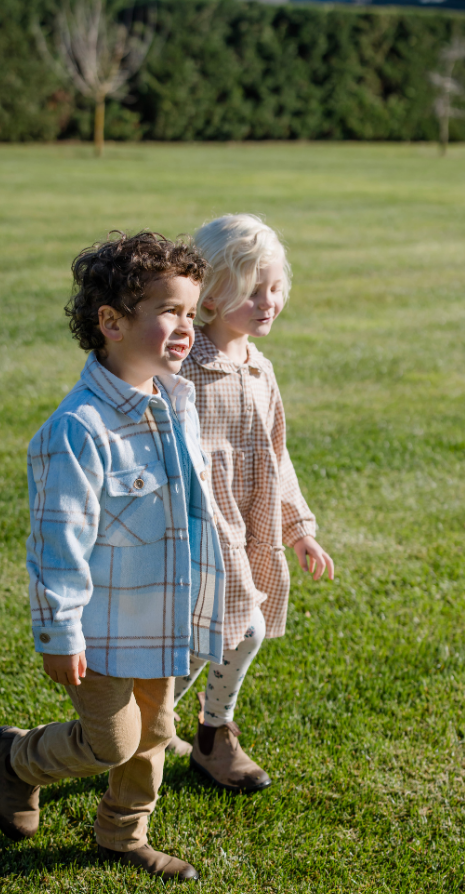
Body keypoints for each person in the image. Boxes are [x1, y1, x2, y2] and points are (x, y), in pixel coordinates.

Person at [0, 231, 225, 881]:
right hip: (99, 626)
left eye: (191, 311)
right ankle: (19, 759)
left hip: (161, 612)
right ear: (112, 323)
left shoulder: (175, 401)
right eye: (168, 311)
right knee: (110, 741)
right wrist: (59, 632)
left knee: (153, 736)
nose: (185, 326)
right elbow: (58, 543)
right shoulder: (79, 430)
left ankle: (123, 834)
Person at [168, 214, 334, 791]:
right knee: (212, 635)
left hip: (247, 531)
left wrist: (299, 527)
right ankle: (151, 723)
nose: (269, 302)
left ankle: (205, 733)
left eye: (276, 288)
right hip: (198, 533)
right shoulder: (182, 370)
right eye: (252, 291)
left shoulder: (259, 368)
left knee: (234, 629)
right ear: (210, 295)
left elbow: (275, 457)